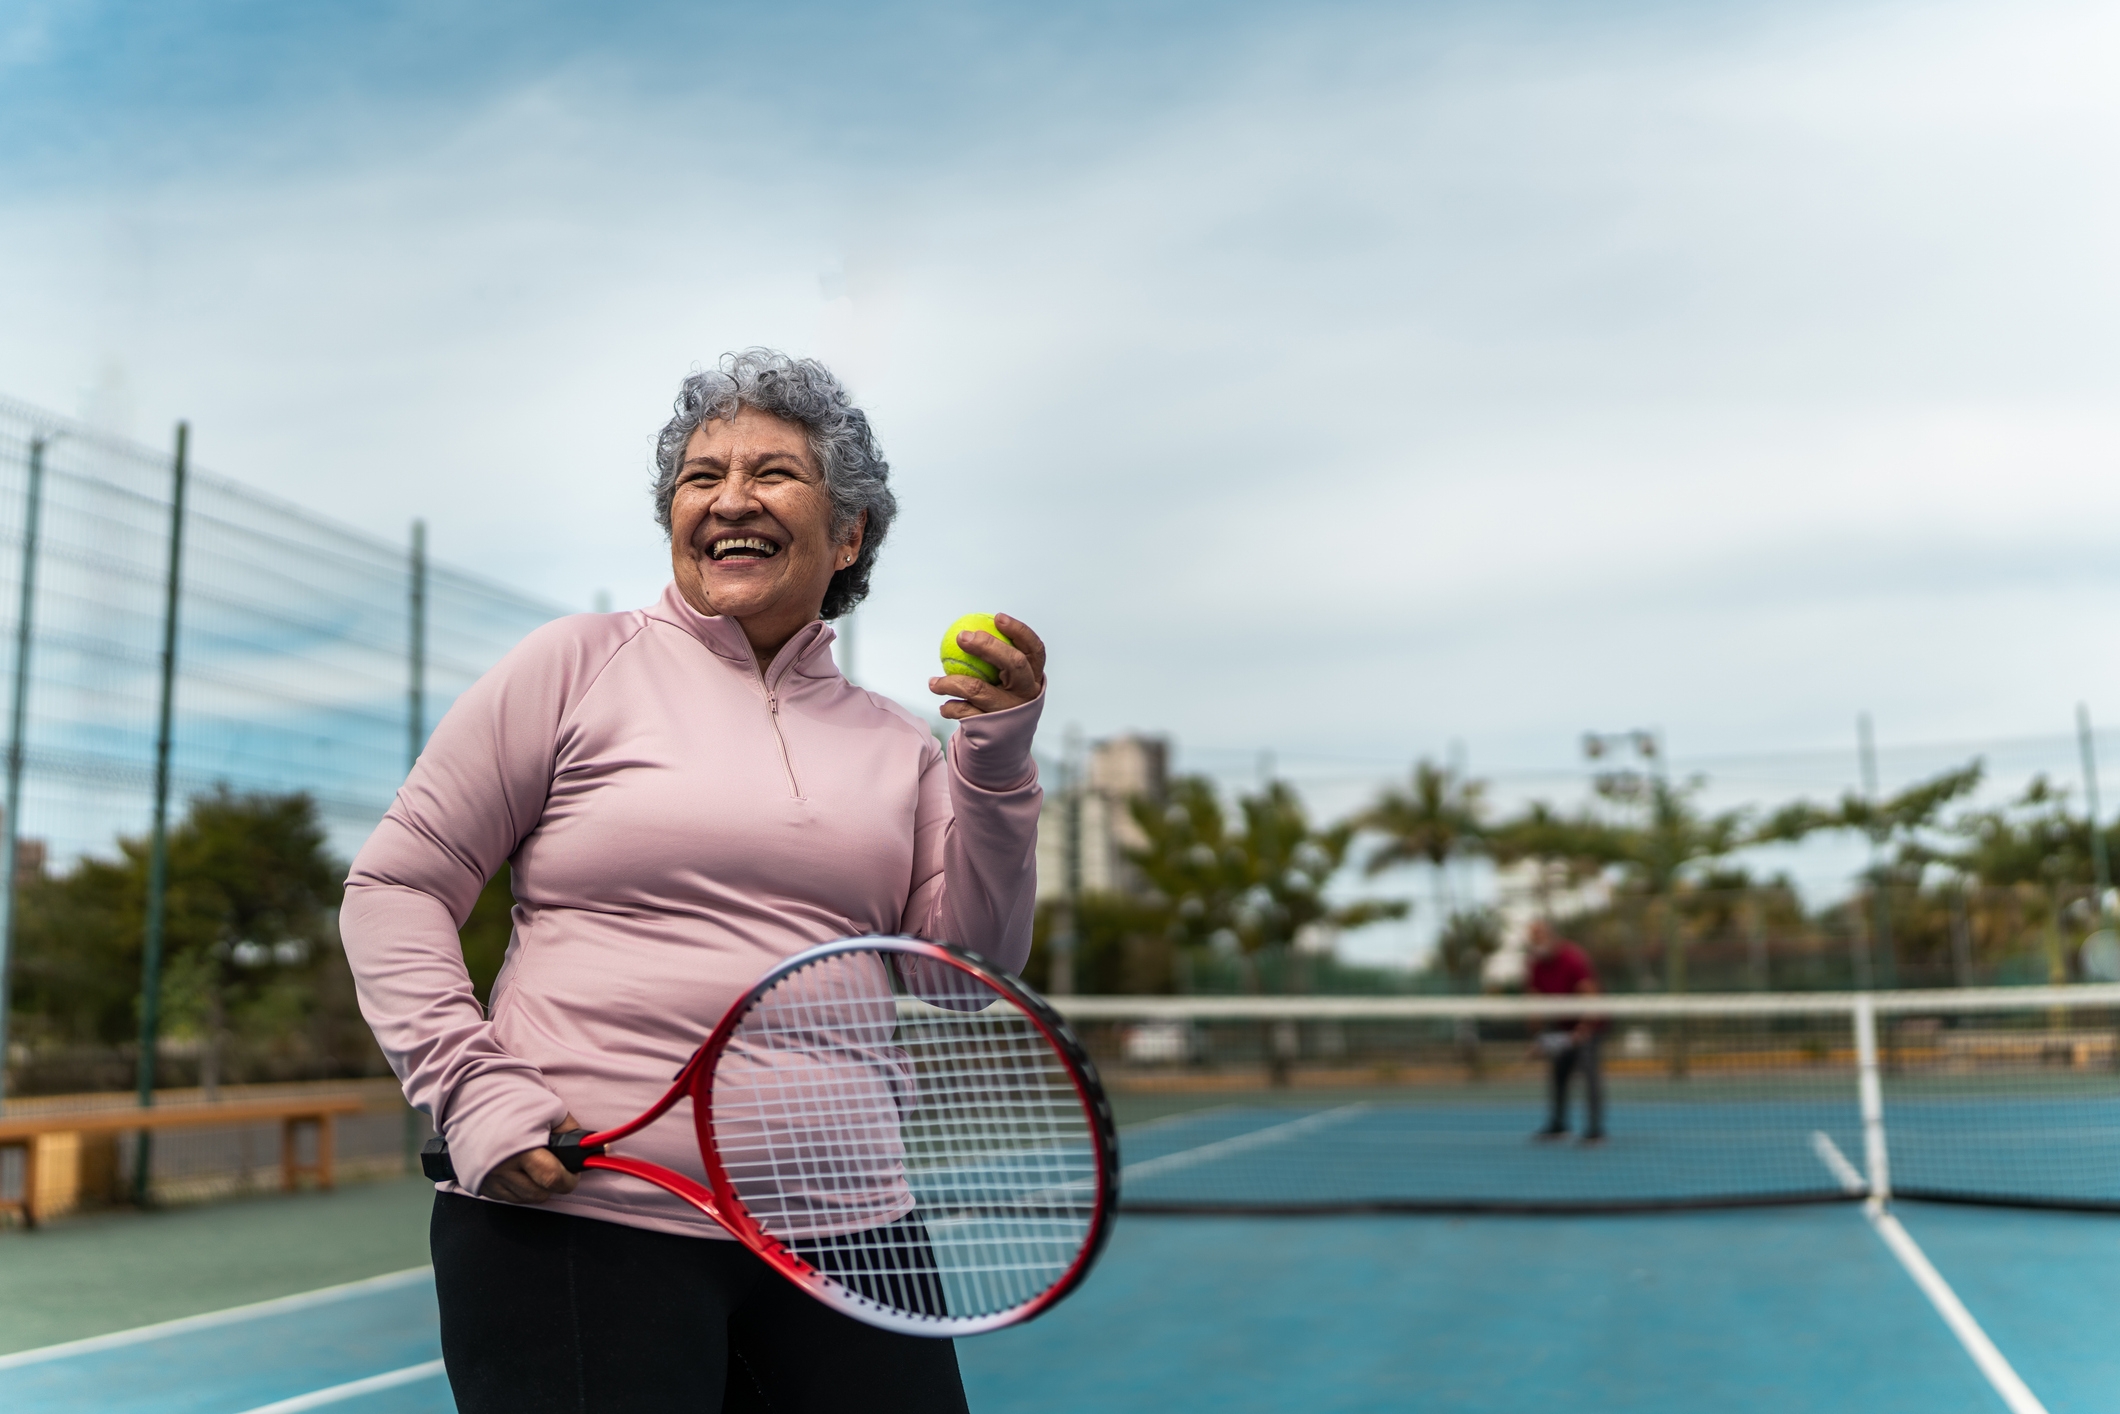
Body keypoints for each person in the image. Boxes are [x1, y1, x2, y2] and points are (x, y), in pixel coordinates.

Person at [340, 350, 1047, 1413]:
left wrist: (992, 763)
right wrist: (472, 1087)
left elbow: (960, 975)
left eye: (772, 473)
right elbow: (396, 886)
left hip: (852, 1238)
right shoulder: (573, 665)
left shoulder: (900, 747)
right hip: (584, 1215)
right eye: (698, 477)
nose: (728, 500)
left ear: (848, 532)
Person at [1525, 920, 1605, 1145]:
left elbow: (1590, 994)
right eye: (1532, 938)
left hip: (1591, 1021)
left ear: (1551, 937)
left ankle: (1594, 1129)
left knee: (1588, 1073)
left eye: (1539, 937)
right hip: (1563, 1025)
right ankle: (1558, 1125)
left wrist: (1584, 1029)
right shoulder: (1535, 964)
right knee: (1558, 1072)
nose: (1535, 942)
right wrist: (1537, 1039)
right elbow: (1535, 1002)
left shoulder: (1573, 958)